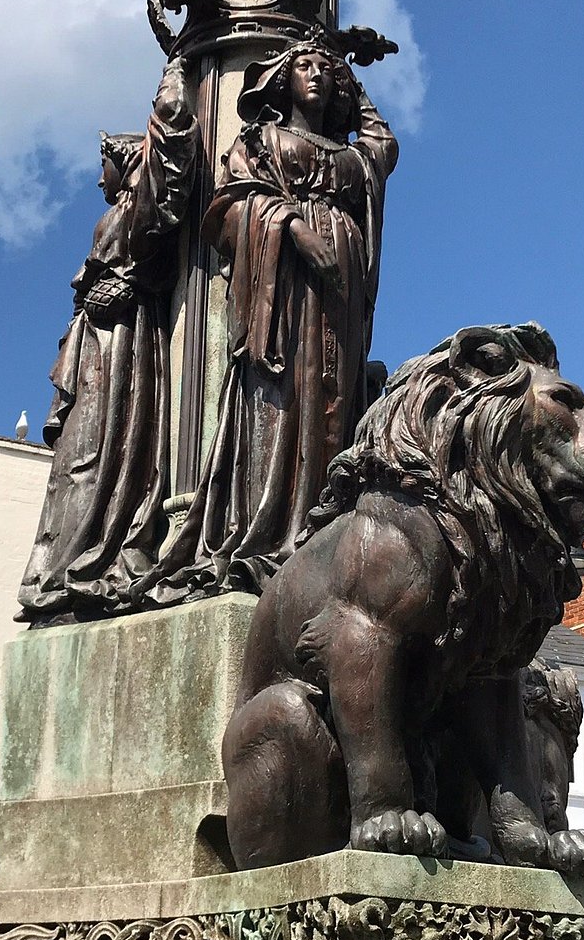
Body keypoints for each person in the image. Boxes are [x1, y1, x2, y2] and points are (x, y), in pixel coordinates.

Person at [136, 35, 397, 604]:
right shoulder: (262, 139)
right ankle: (272, 531)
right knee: (284, 398)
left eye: (327, 73)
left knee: (335, 401)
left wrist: (349, 66)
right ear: (282, 77)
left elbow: (383, 141)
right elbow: (228, 204)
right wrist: (292, 228)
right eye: (304, 65)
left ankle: (326, 531)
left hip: (340, 293)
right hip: (282, 293)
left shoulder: (353, 157)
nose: (317, 77)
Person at [18, 56, 199, 623]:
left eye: (106, 167)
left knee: (99, 452)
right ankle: (63, 569)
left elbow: (169, 175)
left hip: (122, 343)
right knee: (76, 458)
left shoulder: (139, 205)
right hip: (98, 342)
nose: (100, 179)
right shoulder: (115, 212)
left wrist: (176, 74)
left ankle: (93, 558)